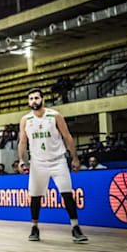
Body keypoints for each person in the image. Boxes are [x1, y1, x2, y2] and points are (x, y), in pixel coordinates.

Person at [18, 88, 88, 243]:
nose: (34, 101)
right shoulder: (25, 120)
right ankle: (34, 227)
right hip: (37, 163)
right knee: (35, 197)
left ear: (43, 99)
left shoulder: (55, 115)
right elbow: (22, 142)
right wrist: (21, 160)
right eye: (31, 98)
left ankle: (75, 228)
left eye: (36, 98)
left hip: (58, 160)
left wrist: (75, 158)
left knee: (67, 194)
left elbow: (67, 136)